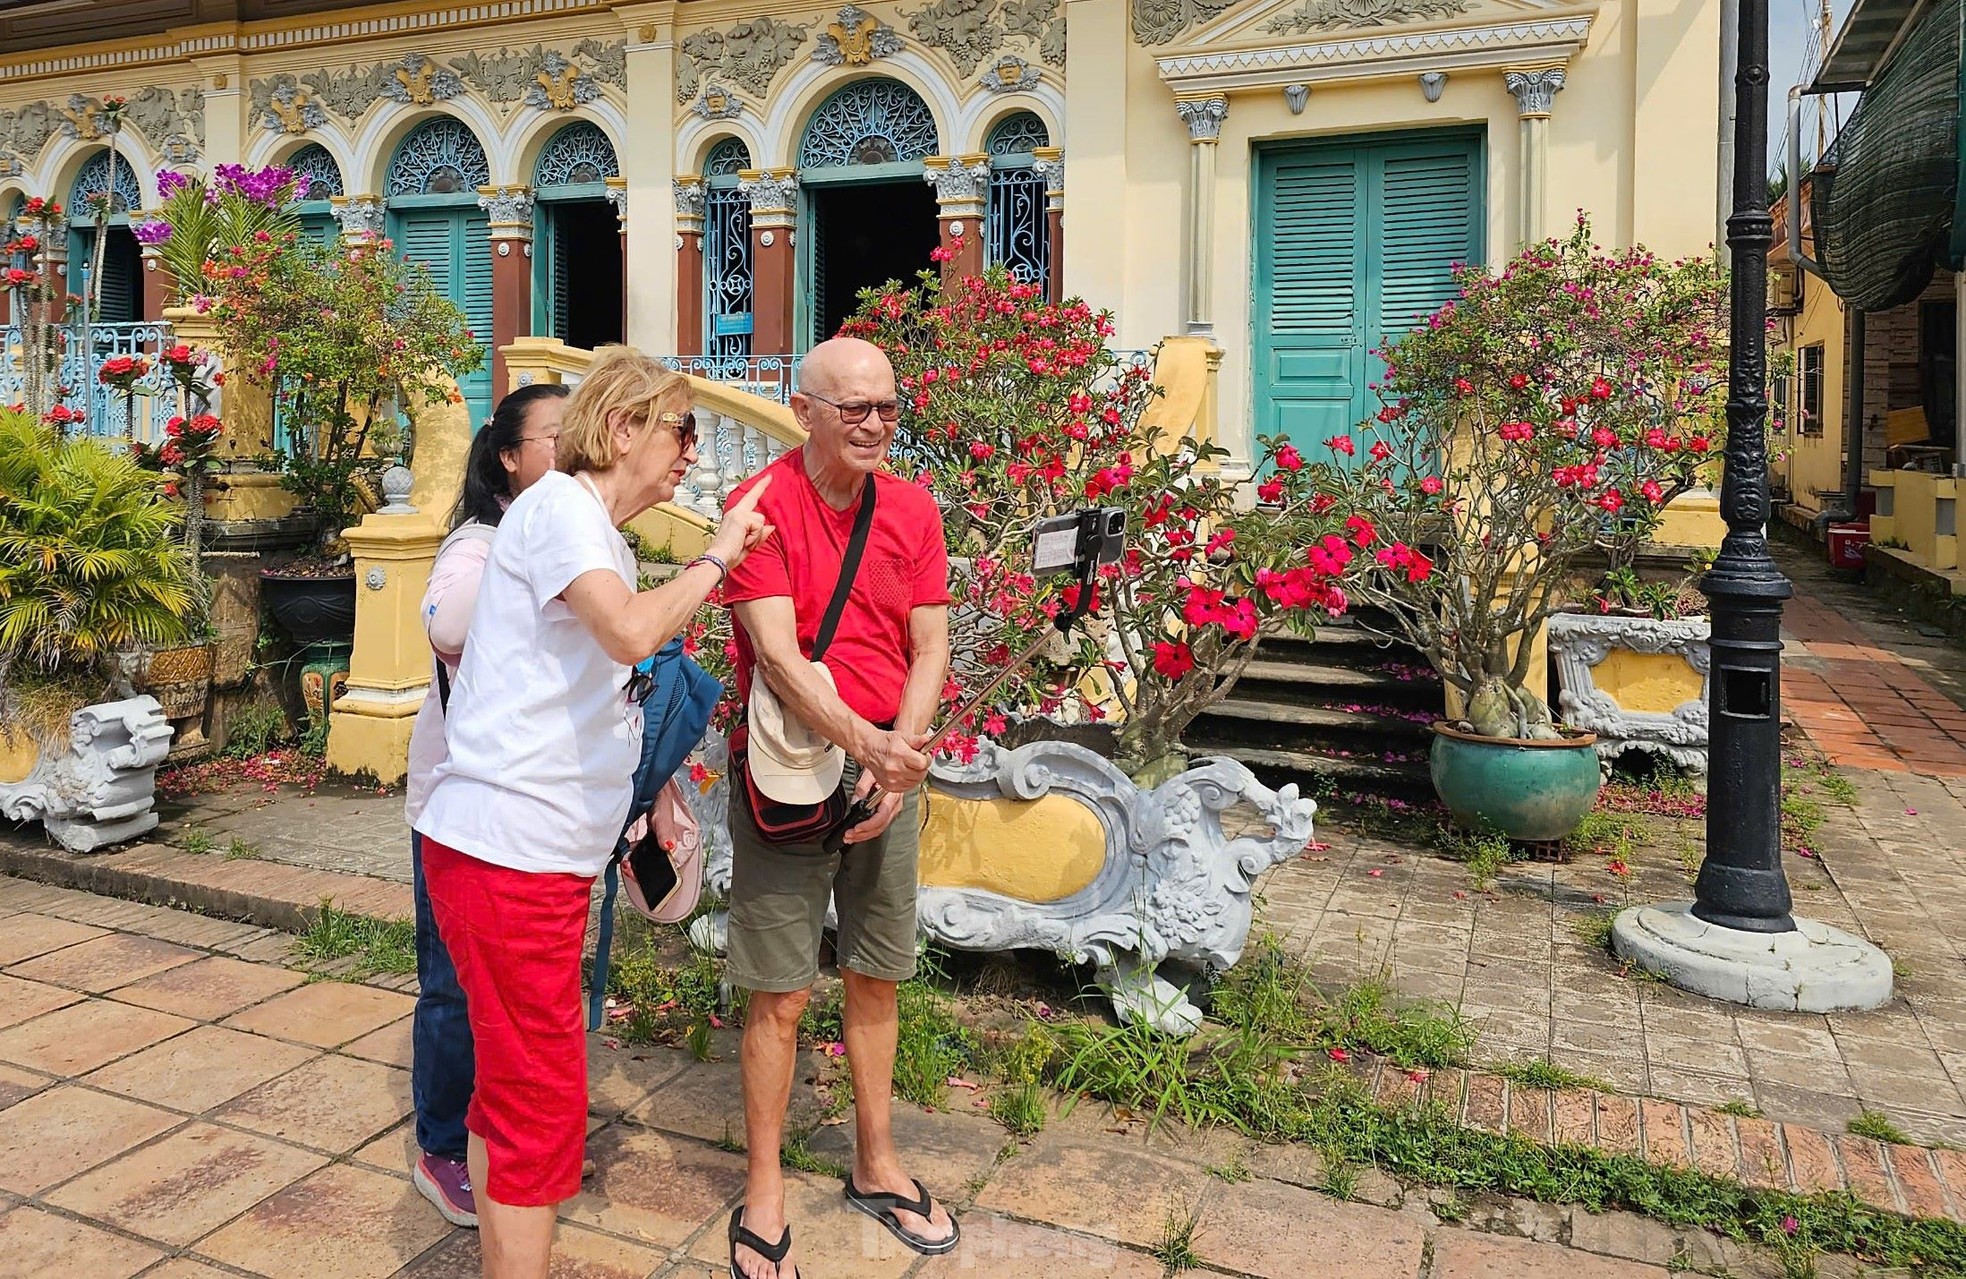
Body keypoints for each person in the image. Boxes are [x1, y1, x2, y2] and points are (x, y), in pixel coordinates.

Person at [415, 346, 773, 1279]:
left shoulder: (590, 531)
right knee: (538, 1107)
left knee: (508, 1096)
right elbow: (628, 629)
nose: (691, 451)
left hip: (524, 854)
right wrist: (716, 560)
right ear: (621, 430)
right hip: (511, 858)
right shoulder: (563, 508)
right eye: (680, 429)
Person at [722, 337, 956, 1279]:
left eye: (886, 408)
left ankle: (875, 1157)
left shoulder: (911, 508)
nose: (872, 425)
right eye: (852, 407)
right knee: (779, 992)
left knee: (877, 974)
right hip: (789, 776)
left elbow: (929, 642)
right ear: (803, 407)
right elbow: (776, 657)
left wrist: (898, 770)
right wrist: (872, 749)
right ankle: (766, 1184)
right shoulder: (761, 511)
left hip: (885, 777)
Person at [403, 381, 567, 1228]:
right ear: (508, 456)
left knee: (531, 1002)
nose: (573, 451)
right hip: (460, 812)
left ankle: (506, 1132)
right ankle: (440, 1142)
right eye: (554, 437)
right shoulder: (478, 543)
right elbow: (448, 625)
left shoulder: (582, 534)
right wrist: (530, 541)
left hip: (544, 819)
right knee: (453, 992)